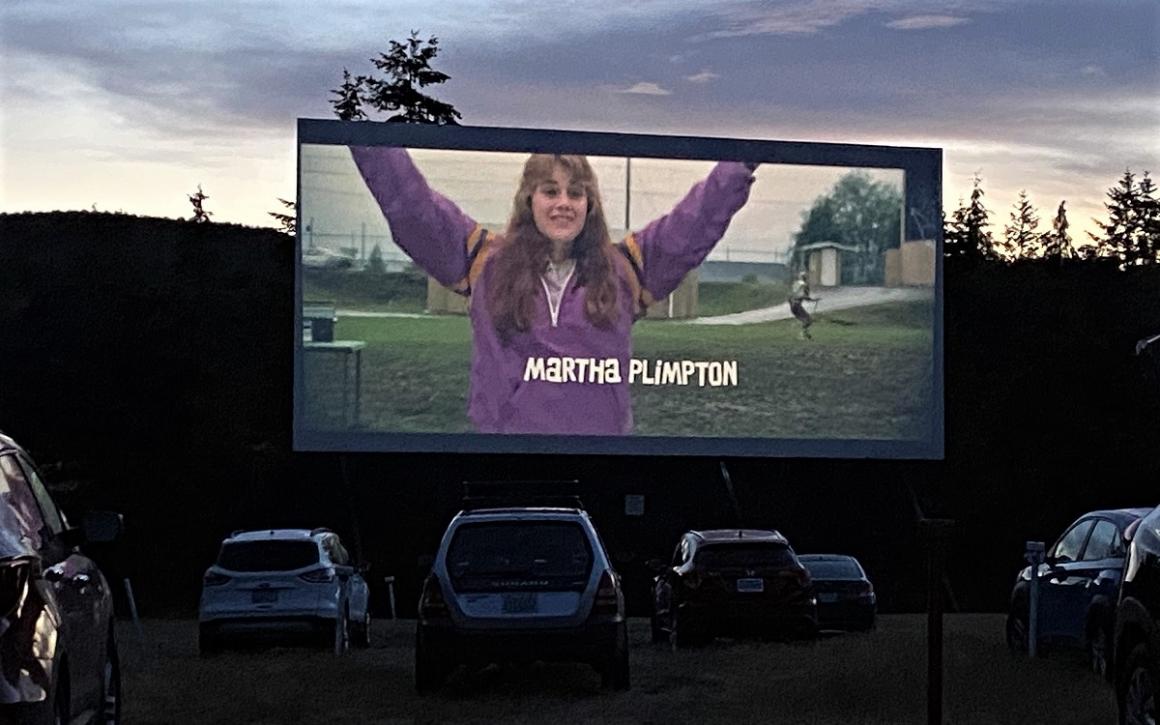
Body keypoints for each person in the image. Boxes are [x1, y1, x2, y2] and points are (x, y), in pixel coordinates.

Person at [350, 145, 758, 435]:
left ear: (589, 204)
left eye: (575, 193)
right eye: (550, 191)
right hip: (506, 459)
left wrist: (740, 162)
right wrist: (362, 132)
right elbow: (411, 204)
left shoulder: (626, 269)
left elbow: (695, 221)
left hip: (600, 461)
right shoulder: (484, 263)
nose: (563, 203)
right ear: (530, 200)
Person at [788, 271, 818, 340]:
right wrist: (814, 300)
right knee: (809, 320)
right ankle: (803, 335)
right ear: (805, 278)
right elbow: (805, 297)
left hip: (793, 306)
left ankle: (805, 334)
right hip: (797, 306)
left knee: (806, 320)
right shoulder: (805, 285)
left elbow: (790, 296)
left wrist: (791, 304)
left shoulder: (796, 284)